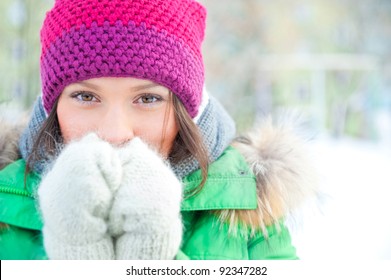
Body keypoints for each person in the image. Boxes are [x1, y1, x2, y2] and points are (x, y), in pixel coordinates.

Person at [0, 0, 318, 260]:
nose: (114, 132)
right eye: (86, 96)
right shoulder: (5, 204)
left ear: (185, 110)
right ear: (51, 108)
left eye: (148, 98)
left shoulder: (245, 206)